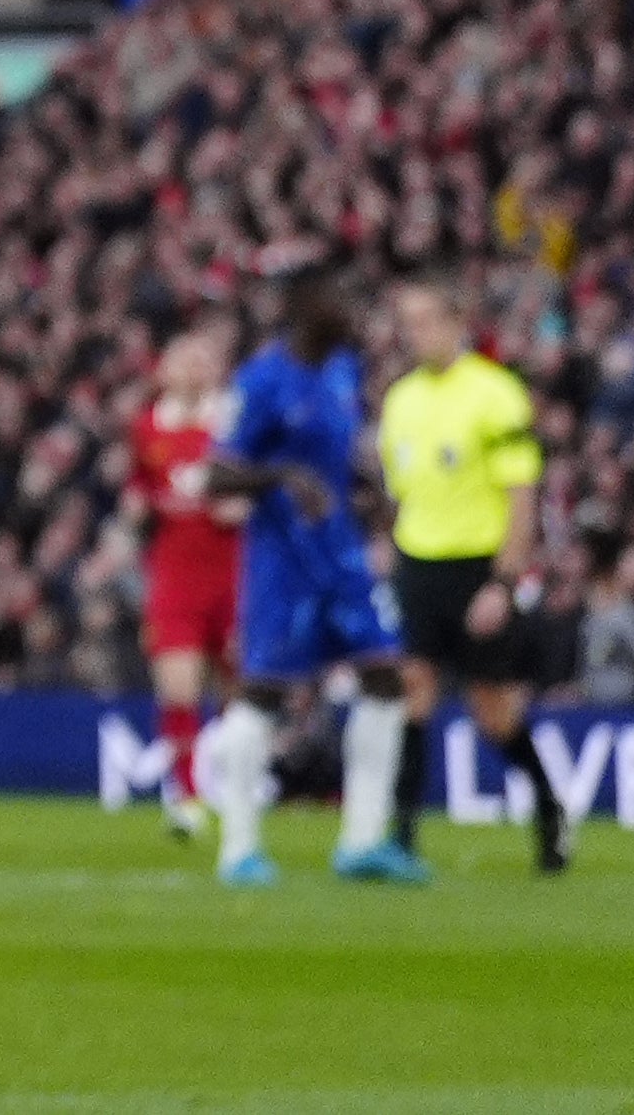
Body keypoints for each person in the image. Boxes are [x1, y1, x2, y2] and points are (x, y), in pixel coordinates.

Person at [198, 260, 419, 890]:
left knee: (384, 678)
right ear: (303, 302)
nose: (352, 308)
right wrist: (283, 477)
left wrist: (367, 488)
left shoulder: (344, 369)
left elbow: (337, 454)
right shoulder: (261, 379)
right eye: (338, 295)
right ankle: (238, 849)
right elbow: (217, 473)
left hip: (342, 554)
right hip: (282, 561)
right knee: (265, 693)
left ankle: (362, 841)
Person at [374, 279, 565, 874]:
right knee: (414, 693)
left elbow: (522, 496)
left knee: (492, 709)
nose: (416, 333)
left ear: (457, 320)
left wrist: (503, 583)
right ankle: (401, 837)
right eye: (407, 322)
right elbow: (401, 490)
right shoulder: (400, 399)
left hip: (477, 566)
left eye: (427, 319)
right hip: (419, 564)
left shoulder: (496, 394)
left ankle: (550, 809)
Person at [131, 320, 245, 835]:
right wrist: (136, 507)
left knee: (238, 690)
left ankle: (239, 787)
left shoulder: (234, 422)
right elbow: (140, 489)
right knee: (178, 687)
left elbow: (263, 485)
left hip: (233, 571)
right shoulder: (149, 426)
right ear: (166, 369)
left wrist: (243, 504)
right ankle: (186, 795)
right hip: (175, 574)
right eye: (185, 359)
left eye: (203, 360)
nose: (194, 369)